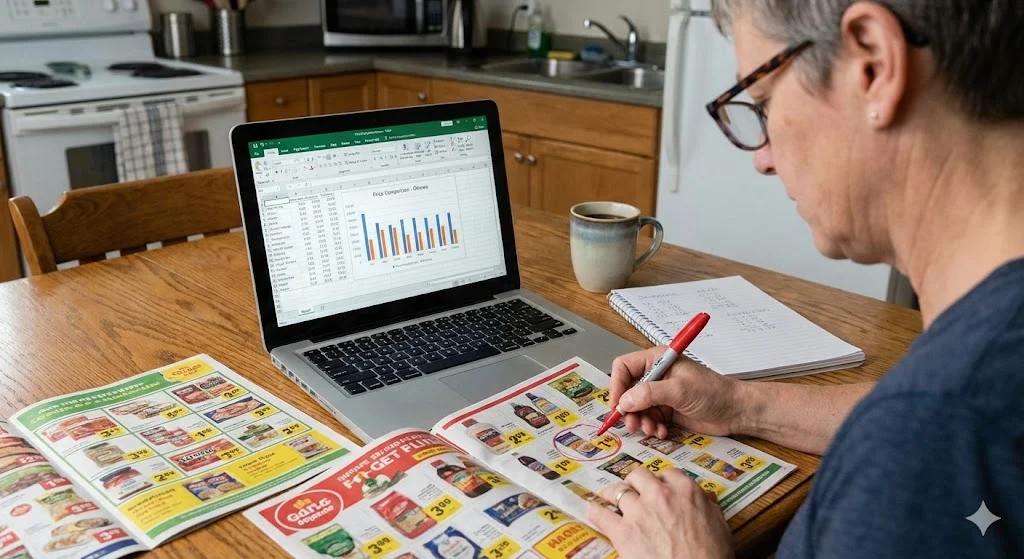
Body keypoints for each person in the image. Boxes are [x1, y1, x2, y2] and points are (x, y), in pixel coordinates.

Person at [586, 1, 1024, 557]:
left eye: (763, 103)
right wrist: (741, 404)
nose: (762, 159)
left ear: (873, 64)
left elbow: (928, 426)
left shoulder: (935, 429)